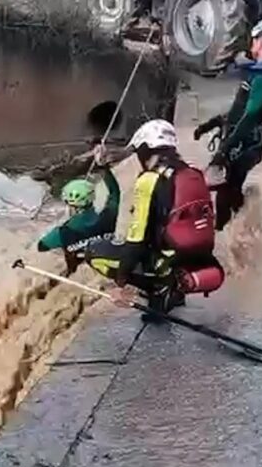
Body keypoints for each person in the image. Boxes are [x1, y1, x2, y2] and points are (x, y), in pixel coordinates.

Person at [85, 119, 221, 318]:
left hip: (166, 260)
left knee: (94, 252)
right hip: (197, 257)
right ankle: (174, 291)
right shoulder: (193, 173)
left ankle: (157, 289)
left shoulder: (148, 180)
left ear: (145, 149)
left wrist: (121, 283)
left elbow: (136, 240)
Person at [195, 19, 262, 230]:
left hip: (243, 144)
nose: (251, 43)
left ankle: (235, 235)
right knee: (228, 192)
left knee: (226, 193)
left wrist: (224, 150)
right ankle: (242, 228)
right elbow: (240, 110)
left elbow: (249, 118)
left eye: (254, 39)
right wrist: (212, 124)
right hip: (243, 140)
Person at [36, 145, 120, 274]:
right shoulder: (109, 216)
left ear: (70, 204)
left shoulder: (62, 233)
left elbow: (41, 247)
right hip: (109, 267)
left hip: (79, 272)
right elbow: (115, 192)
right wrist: (103, 168)